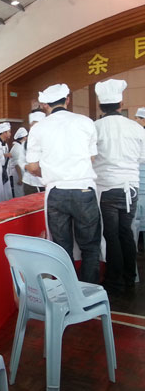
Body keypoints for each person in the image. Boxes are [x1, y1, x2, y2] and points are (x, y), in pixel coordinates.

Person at [26, 83, 101, 283]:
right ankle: (89, 292)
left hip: (56, 192)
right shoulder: (86, 122)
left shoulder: (38, 128)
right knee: (90, 245)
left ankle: (67, 294)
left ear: (45, 106)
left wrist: (50, 171)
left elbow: (32, 166)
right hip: (84, 190)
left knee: (61, 246)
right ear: (68, 100)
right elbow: (92, 158)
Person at [92, 79, 145, 295]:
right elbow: (142, 158)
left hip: (106, 188)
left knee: (111, 235)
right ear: (121, 104)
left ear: (100, 106)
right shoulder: (135, 127)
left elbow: (91, 158)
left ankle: (114, 282)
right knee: (126, 232)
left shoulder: (95, 127)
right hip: (130, 188)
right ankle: (129, 277)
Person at [22, 111, 46, 195]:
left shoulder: (48, 141)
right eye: (33, 125)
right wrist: (26, 166)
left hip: (46, 182)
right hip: (30, 182)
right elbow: (20, 159)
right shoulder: (25, 142)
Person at [0, 122, 13, 200]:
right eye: (9, 131)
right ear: (4, 132)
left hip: (5, 172)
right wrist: (5, 155)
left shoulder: (5, 144)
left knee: (7, 195)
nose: (10, 134)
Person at [10, 127, 28, 198]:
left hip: (21, 173)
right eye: (26, 136)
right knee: (19, 194)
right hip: (18, 174)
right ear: (24, 137)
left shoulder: (19, 146)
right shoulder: (17, 148)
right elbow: (16, 164)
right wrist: (20, 177)